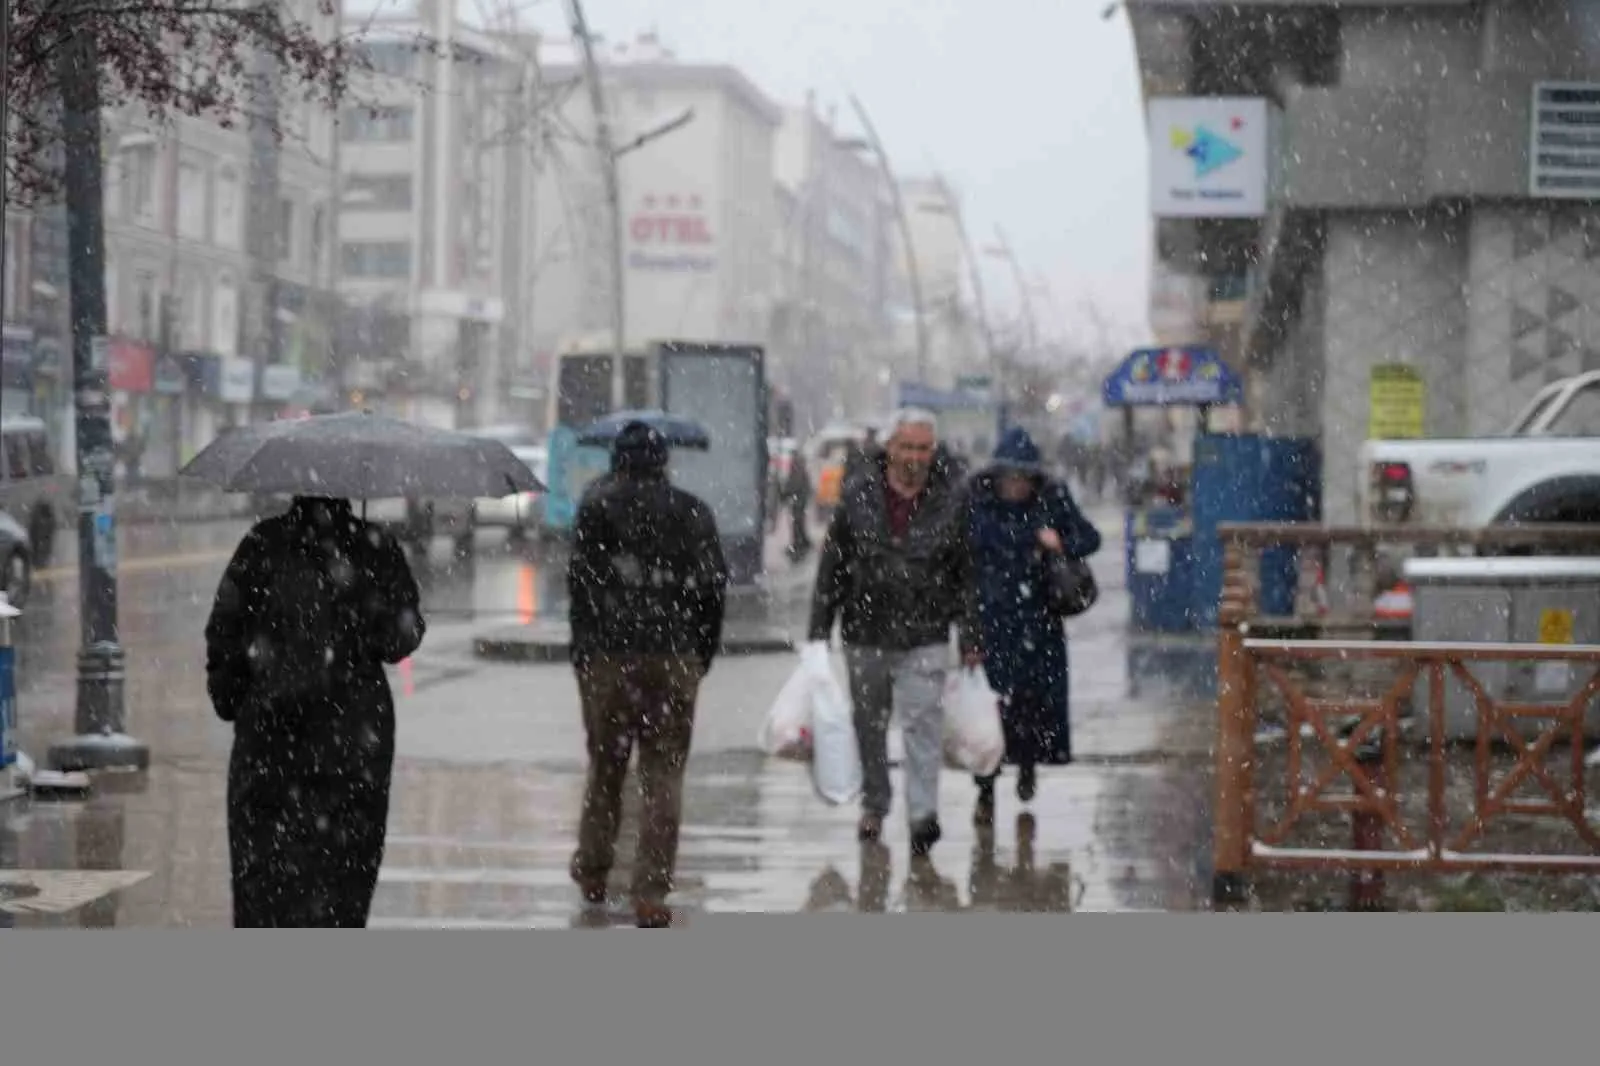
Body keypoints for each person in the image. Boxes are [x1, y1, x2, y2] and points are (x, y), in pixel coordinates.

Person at [205, 495, 425, 927]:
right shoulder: (374, 547)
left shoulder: (262, 544)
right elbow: (401, 638)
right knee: (342, 891)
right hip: (353, 751)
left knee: (264, 893)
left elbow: (224, 635)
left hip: (268, 749)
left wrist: (235, 698)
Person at [567, 421, 729, 929]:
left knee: (606, 769)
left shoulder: (596, 507)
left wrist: (585, 653)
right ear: (663, 462)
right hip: (671, 657)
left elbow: (580, 588)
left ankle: (594, 870)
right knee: (663, 775)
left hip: (609, 658)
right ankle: (651, 892)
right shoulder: (692, 511)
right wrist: (698, 652)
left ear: (617, 460)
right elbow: (712, 589)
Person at [808, 408, 976, 857]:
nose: (915, 457)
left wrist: (971, 634)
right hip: (866, 631)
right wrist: (818, 631)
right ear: (890, 448)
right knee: (871, 725)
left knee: (923, 724)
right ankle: (876, 804)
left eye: (923, 448)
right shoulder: (858, 495)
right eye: (907, 447)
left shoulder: (951, 499)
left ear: (932, 450)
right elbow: (833, 566)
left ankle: (922, 814)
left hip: (926, 631)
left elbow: (964, 572)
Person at [964, 426, 1102, 828]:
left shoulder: (1051, 498)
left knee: (1032, 707)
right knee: (988, 715)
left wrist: (1058, 541)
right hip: (992, 622)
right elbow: (963, 560)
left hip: (1039, 622)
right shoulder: (976, 503)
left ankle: (1027, 765)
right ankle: (985, 791)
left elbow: (1089, 538)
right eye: (1010, 477)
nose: (1016, 486)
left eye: (1023, 478)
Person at [784, 451, 813, 559]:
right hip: (799, 500)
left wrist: (787, 493)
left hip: (798, 501)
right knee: (798, 523)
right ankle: (802, 543)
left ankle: (800, 545)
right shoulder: (800, 468)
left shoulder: (797, 469)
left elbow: (794, 484)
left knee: (797, 523)